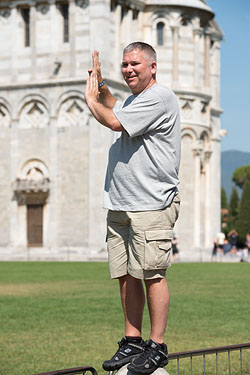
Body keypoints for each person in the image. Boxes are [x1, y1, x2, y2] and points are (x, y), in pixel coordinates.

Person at [84, 42, 181, 375]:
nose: (129, 69)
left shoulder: (160, 97)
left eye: (135, 64)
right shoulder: (134, 101)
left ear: (153, 66)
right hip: (122, 202)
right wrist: (103, 86)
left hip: (150, 203)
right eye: (124, 64)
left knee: (152, 274)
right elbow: (117, 106)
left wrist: (89, 99)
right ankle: (133, 340)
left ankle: (156, 346)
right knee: (126, 275)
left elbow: (113, 121)